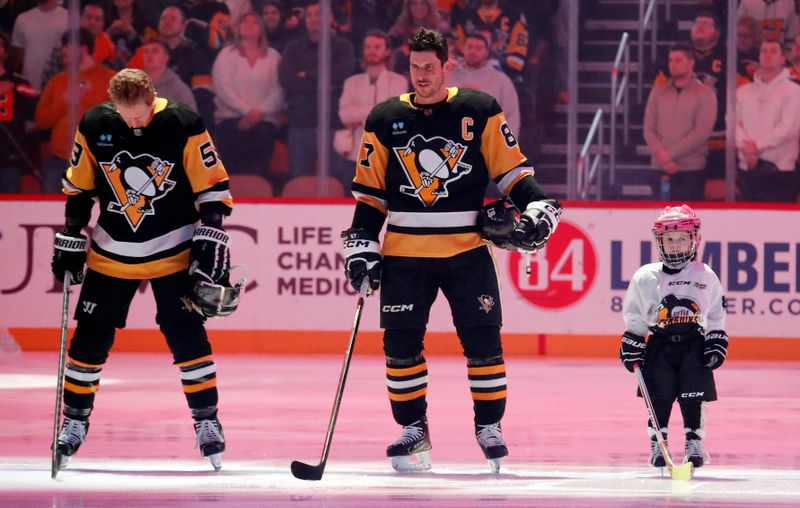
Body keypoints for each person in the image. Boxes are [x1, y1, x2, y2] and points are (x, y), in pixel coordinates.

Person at [340, 28, 562, 474]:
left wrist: (539, 205)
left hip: (467, 250)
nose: (421, 76)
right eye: (414, 67)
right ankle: (413, 429)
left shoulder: (479, 110)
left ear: (447, 65)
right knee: (400, 346)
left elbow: (513, 173)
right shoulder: (383, 119)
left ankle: (489, 427)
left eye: (429, 67)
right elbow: (370, 197)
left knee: (483, 341)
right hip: (404, 252)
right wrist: (362, 245)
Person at [49, 68, 239, 471]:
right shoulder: (95, 122)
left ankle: (207, 421)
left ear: (153, 97)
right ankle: (75, 421)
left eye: (140, 115)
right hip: (111, 249)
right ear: (114, 105)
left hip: (172, 246)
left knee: (186, 334)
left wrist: (211, 230)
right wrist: (71, 233)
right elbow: (79, 186)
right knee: (89, 340)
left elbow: (213, 187)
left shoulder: (182, 122)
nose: (134, 122)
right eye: (127, 116)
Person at [619, 204, 728, 470]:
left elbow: (715, 311)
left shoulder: (705, 275)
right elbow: (635, 315)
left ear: (694, 239)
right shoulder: (645, 277)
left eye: (681, 238)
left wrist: (716, 338)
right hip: (660, 345)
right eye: (669, 239)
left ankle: (694, 442)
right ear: (660, 241)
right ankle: (658, 442)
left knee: (694, 394)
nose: (676, 245)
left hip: (694, 345)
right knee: (658, 395)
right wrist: (633, 339)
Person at [34, 28, 116, 194]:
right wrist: (66, 101)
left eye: (67, 46)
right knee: (51, 215)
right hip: (59, 162)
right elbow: (41, 121)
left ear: (83, 49)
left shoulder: (111, 79)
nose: (62, 50)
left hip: (98, 163)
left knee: (94, 216)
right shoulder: (56, 81)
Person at [212, 11, 284, 178]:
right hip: (230, 120)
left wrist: (258, 113)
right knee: (230, 169)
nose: (249, 26)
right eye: (245, 22)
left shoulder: (274, 57)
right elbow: (223, 88)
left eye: (254, 22)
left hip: (264, 121)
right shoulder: (227, 54)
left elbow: (279, 90)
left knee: (259, 159)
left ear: (261, 29)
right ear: (238, 28)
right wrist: (246, 112)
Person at [333, 29, 408, 188]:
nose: (372, 51)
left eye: (377, 47)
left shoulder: (398, 81)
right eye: (368, 47)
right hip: (355, 156)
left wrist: (359, 114)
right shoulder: (352, 82)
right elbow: (345, 115)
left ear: (387, 51)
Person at [643, 44, 716, 202]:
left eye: (678, 60)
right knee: (658, 222)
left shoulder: (705, 93)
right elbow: (648, 128)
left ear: (691, 63)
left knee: (687, 223)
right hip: (659, 167)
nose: (673, 64)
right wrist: (662, 156)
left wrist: (669, 154)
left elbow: (701, 133)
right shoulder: (658, 92)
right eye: (670, 60)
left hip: (690, 169)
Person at [735, 40, 800, 202]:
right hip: (748, 166)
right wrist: (747, 148)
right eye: (764, 51)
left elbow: (788, 128)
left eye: (773, 51)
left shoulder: (794, 91)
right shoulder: (743, 92)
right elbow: (733, 124)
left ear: (783, 59)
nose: (767, 55)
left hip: (780, 169)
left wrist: (756, 147)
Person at [448, 32, 520, 135]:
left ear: (487, 52)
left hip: (487, 143)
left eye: (478, 48)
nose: (473, 51)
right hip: (453, 144)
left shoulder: (501, 81)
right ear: (463, 49)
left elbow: (512, 117)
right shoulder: (448, 77)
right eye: (469, 46)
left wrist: (508, 147)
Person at [142, 39, 196, 110]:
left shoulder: (179, 89)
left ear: (165, 58)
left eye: (155, 51)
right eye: (146, 51)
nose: (149, 55)